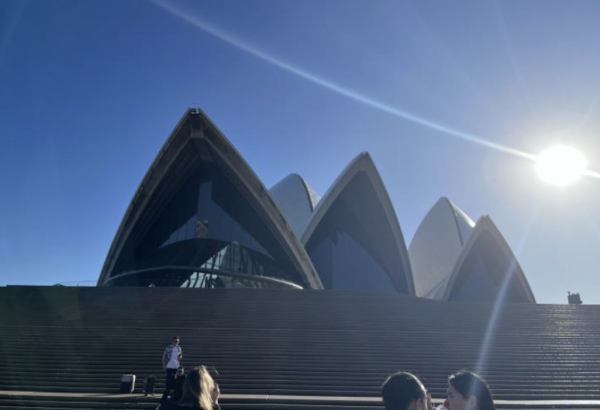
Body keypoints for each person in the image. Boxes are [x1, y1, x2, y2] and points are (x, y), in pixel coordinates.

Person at [161, 336, 183, 403]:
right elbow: (164, 356)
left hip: (176, 367)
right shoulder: (169, 347)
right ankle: (164, 398)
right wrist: (164, 365)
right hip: (169, 366)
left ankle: (173, 396)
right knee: (169, 381)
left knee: (175, 381)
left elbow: (180, 356)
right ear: (172, 341)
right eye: (175, 341)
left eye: (177, 341)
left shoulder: (179, 348)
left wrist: (180, 357)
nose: (176, 342)